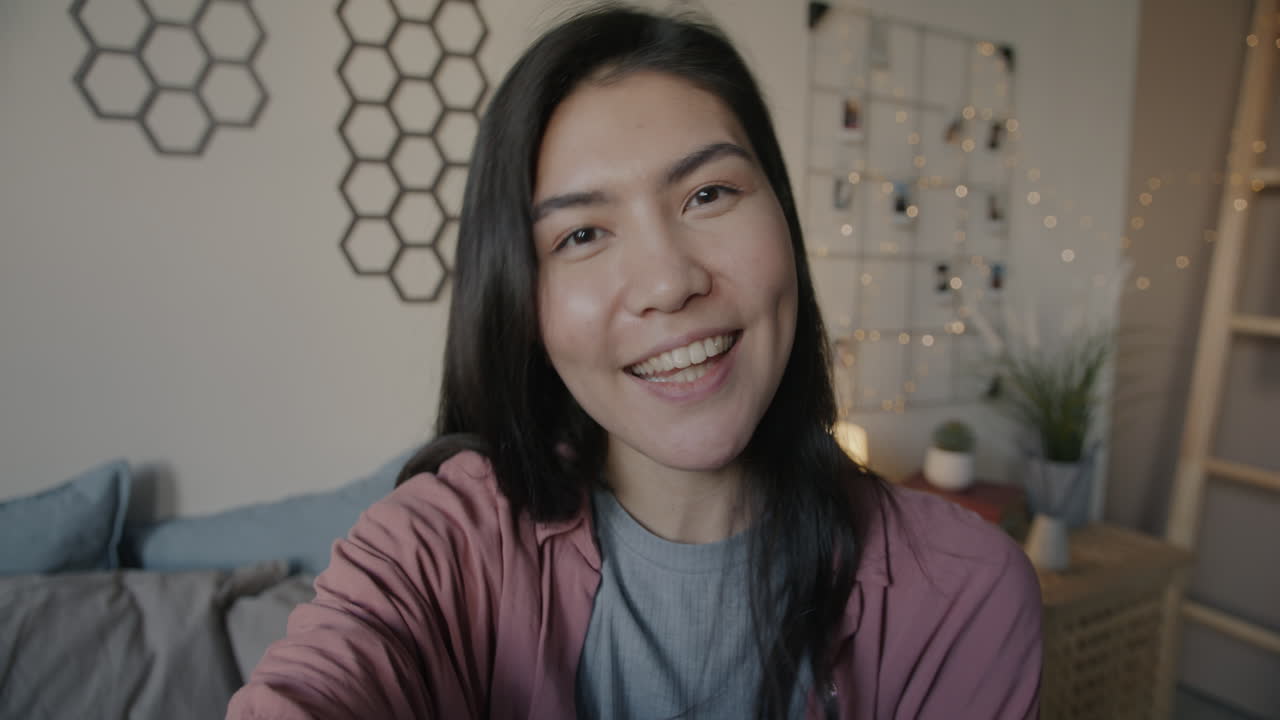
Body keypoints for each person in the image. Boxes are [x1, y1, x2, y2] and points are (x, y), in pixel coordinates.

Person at [227, 5, 1042, 719]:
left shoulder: (963, 595)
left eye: (708, 195)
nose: (667, 282)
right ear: (522, 302)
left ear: (785, 221)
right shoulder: (439, 547)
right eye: (581, 235)